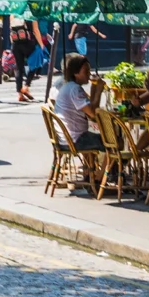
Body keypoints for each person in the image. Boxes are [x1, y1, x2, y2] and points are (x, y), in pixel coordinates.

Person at [52, 55, 103, 198]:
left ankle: (90, 176)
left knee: (98, 137)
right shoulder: (75, 90)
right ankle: (100, 178)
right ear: (75, 73)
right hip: (75, 138)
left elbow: (89, 108)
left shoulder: (69, 87)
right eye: (85, 71)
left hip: (68, 137)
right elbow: (92, 113)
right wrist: (98, 90)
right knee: (115, 144)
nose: (89, 74)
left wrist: (94, 89)